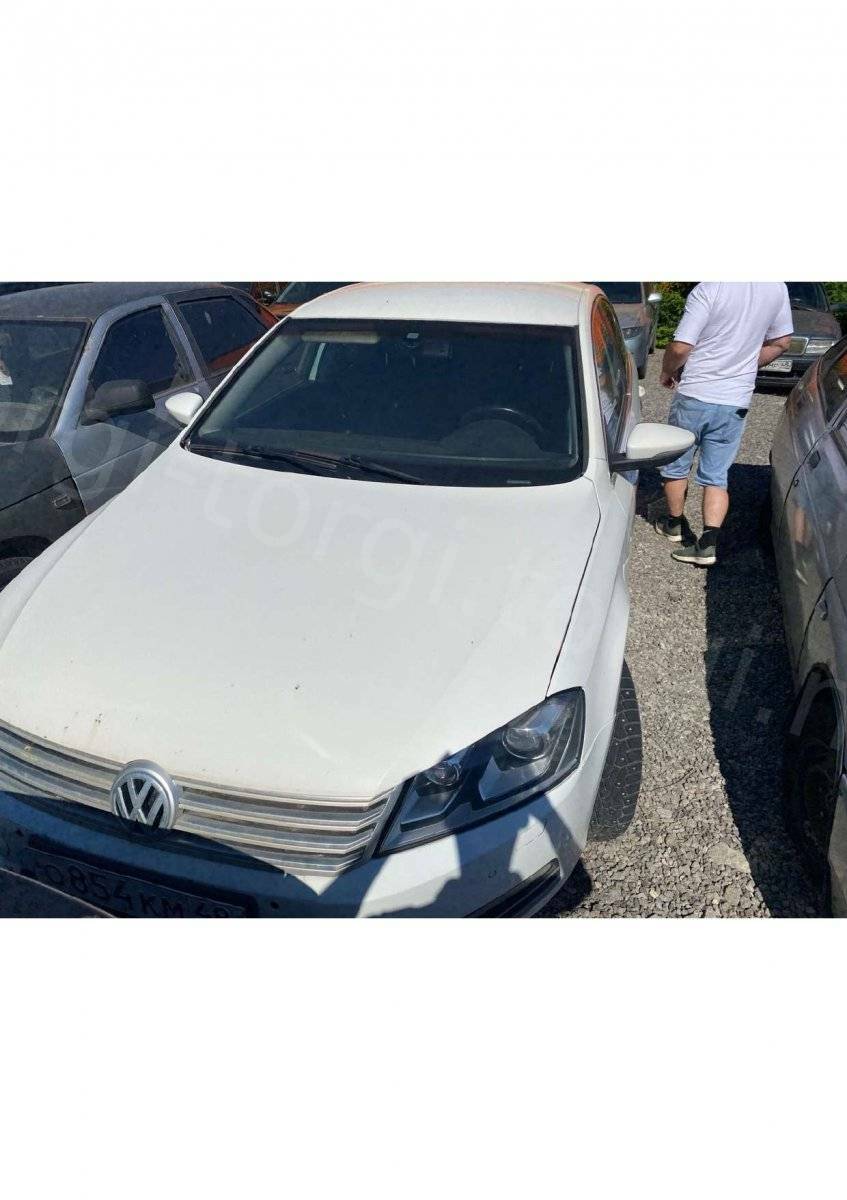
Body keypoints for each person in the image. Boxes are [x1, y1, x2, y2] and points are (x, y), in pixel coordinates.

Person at [654, 282, 793, 566]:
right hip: (735, 400)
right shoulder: (776, 287)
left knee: (677, 463)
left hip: (696, 393)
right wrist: (745, 365)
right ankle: (708, 544)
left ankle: (675, 524)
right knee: (716, 475)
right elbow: (782, 342)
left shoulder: (710, 288)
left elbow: (680, 346)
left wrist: (667, 371)